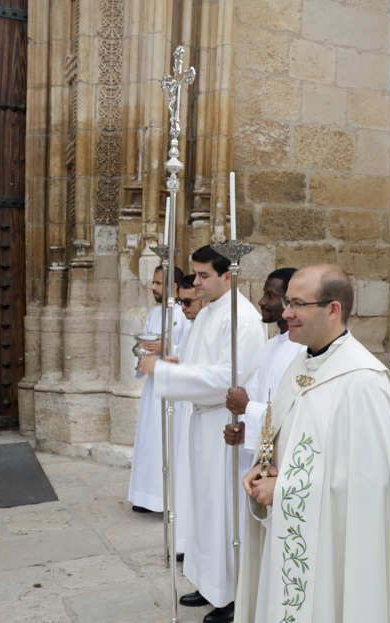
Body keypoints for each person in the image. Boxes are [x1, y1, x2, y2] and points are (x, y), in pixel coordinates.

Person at [234, 264, 390, 623]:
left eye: (297, 303)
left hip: (330, 549)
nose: (286, 313)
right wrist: (263, 467)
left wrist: (285, 489)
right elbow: (283, 433)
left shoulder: (363, 381)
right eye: (286, 302)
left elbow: (370, 486)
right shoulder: (301, 364)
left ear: (332, 309)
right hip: (288, 532)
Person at [138, 245, 265, 623]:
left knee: (222, 508)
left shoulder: (242, 319)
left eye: (204, 275)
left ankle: (230, 593)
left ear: (229, 276)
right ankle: (210, 583)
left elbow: (228, 378)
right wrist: (177, 362)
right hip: (200, 422)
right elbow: (198, 362)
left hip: (222, 424)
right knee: (202, 505)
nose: (195, 282)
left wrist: (163, 373)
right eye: (195, 275)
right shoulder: (208, 313)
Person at [223, 267, 303, 490]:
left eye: (270, 295)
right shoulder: (271, 346)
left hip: (284, 460)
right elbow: (258, 397)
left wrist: (247, 406)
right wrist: (243, 430)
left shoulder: (302, 349)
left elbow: (293, 411)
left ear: (289, 302)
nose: (261, 301)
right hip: (265, 455)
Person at [128, 265, 187, 513]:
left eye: (157, 283)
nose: (152, 287)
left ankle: (165, 500)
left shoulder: (184, 314)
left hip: (175, 388)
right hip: (153, 387)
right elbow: (144, 346)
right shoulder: (153, 314)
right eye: (153, 283)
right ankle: (146, 497)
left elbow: (185, 349)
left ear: (173, 287)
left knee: (168, 442)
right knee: (150, 442)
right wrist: (145, 353)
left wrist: (165, 347)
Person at [174, 272, 205, 561]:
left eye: (187, 302)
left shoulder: (231, 321)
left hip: (207, 414)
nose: (184, 309)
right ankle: (185, 542)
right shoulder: (195, 325)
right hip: (189, 411)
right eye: (180, 302)